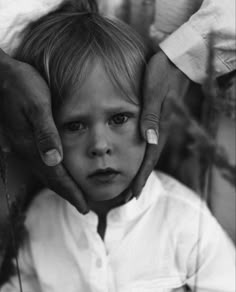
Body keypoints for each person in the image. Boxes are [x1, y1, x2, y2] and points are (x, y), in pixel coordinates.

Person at [1, 4, 235, 291]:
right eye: (75, 125)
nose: (99, 146)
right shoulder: (39, 219)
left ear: (153, 111)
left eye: (119, 118)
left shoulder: (186, 222)